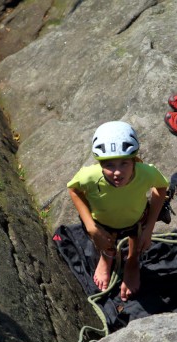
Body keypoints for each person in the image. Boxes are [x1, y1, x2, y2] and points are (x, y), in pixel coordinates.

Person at [67, 121, 169, 301]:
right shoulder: (89, 176)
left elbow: (161, 188)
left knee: (135, 237)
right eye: (109, 165)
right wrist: (91, 228)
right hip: (102, 221)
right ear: (99, 163)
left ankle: (131, 262)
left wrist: (149, 228)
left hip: (136, 220)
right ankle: (107, 258)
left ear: (134, 160)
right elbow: (74, 190)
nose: (117, 172)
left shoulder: (146, 173)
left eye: (124, 163)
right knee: (106, 240)